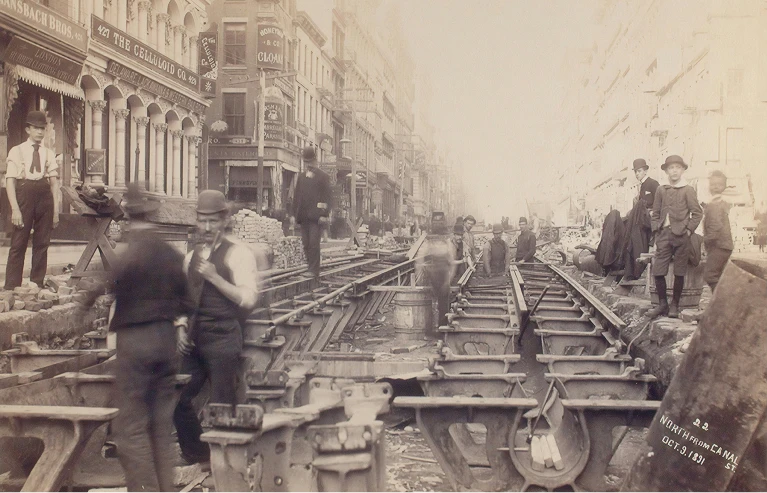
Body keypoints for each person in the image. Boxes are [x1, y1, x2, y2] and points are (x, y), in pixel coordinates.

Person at [109, 183, 188, 491]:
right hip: (166, 341)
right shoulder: (171, 253)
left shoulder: (129, 253)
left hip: (135, 343)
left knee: (130, 428)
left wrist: (85, 302)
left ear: (128, 218)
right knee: (160, 429)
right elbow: (188, 301)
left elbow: (107, 285)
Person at [174, 190, 260, 464]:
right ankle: (197, 453)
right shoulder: (191, 257)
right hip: (194, 341)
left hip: (223, 338)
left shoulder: (238, 254)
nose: (207, 227)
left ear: (225, 220)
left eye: (213, 221)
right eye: (202, 220)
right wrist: (180, 327)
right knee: (176, 398)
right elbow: (183, 298)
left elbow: (248, 298)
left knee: (223, 406)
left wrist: (215, 278)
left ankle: (227, 464)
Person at [4, 110, 59, 290]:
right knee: (19, 242)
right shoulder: (17, 151)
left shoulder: (48, 153)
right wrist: (15, 209)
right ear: (28, 129)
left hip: (44, 196)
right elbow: (10, 182)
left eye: (42, 128)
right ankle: (12, 286)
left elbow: (54, 183)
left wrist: (56, 211)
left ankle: (37, 283)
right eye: (36, 128)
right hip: (24, 195)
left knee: (42, 242)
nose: (40, 132)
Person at [647, 155, 703, 318]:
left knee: (679, 271)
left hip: (681, 236)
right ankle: (662, 304)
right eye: (671, 168)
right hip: (663, 235)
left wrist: (688, 230)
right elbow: (655, 213)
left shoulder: (688, 190)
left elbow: (697, 213)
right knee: (658, 270)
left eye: (678, 167)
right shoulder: (661, 189)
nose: (674, 171)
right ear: (666, 171)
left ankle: (674, 305)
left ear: (683, 170)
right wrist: (656, 231)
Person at [291, 147, 331, 280]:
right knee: (306, 243)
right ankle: (310, 267)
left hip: (316, 217)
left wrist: (324, 214)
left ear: (315, 160)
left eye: (310, 162)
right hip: (303, 217)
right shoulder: (301, 177)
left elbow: (327, 197)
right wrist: (293, 214)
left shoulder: (323, 177)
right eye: (306, 162)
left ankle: (314, 270)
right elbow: (297, 196)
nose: (308, 164)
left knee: (314, 243)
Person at [702, 170, 733, 293]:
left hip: (719, 245)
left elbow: (715, 227)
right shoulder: (720, 203)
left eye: (719, 184)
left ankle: (721, 300)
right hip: (724, 245)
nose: (715, 187)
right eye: (713, 184)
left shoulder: (715, 204)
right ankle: (722, 300)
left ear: (724, 186)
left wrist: (704, 241)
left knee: (710, 276)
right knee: (719, 276)